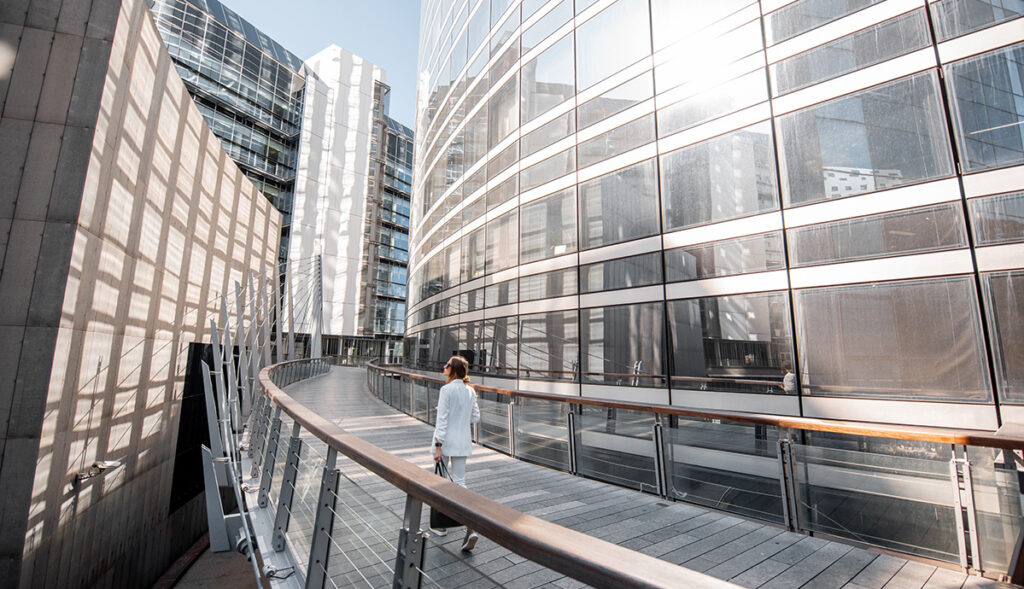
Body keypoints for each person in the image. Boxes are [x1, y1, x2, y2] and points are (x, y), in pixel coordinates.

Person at [432, 355, 481, 552]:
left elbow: (442, 420)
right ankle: (470, 526)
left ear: (454, 370)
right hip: (462, 441)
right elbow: (476, 417)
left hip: (445, 442)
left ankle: (441, 526)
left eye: (447, 365)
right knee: (460, 482)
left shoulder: (446, 389)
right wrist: (460, 417)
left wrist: (438, 445)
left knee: (441, 482)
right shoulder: (470, 391)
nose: (444, 366)